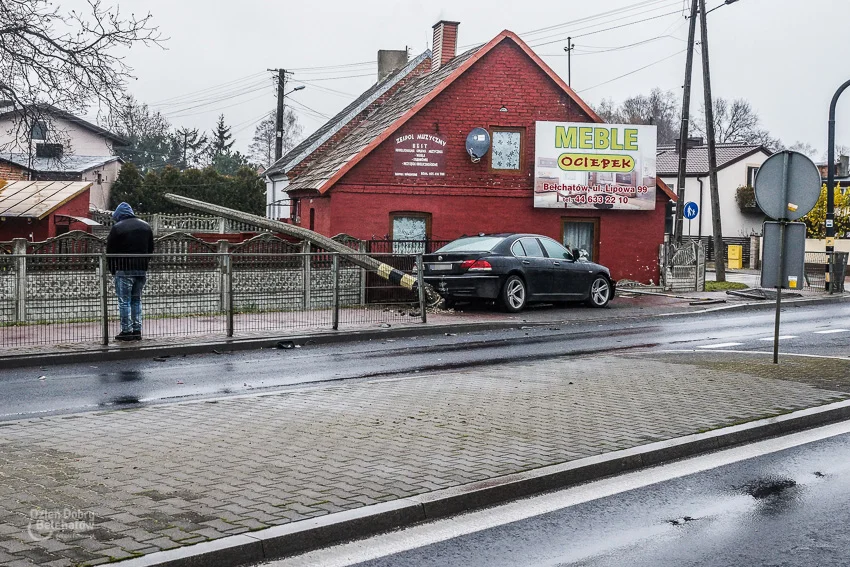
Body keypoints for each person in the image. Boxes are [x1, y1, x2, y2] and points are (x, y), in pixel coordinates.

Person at [106, 202, 154, 342]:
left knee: (124, 302)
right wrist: (144, 264)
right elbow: (151, 248)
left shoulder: (117, 228)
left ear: (119, 215)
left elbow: (110, 251)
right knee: (136, 300)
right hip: (141, 270)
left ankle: (126, 331)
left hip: (124, 269)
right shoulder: (146, 226)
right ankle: (137, 331)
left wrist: (113, 270)